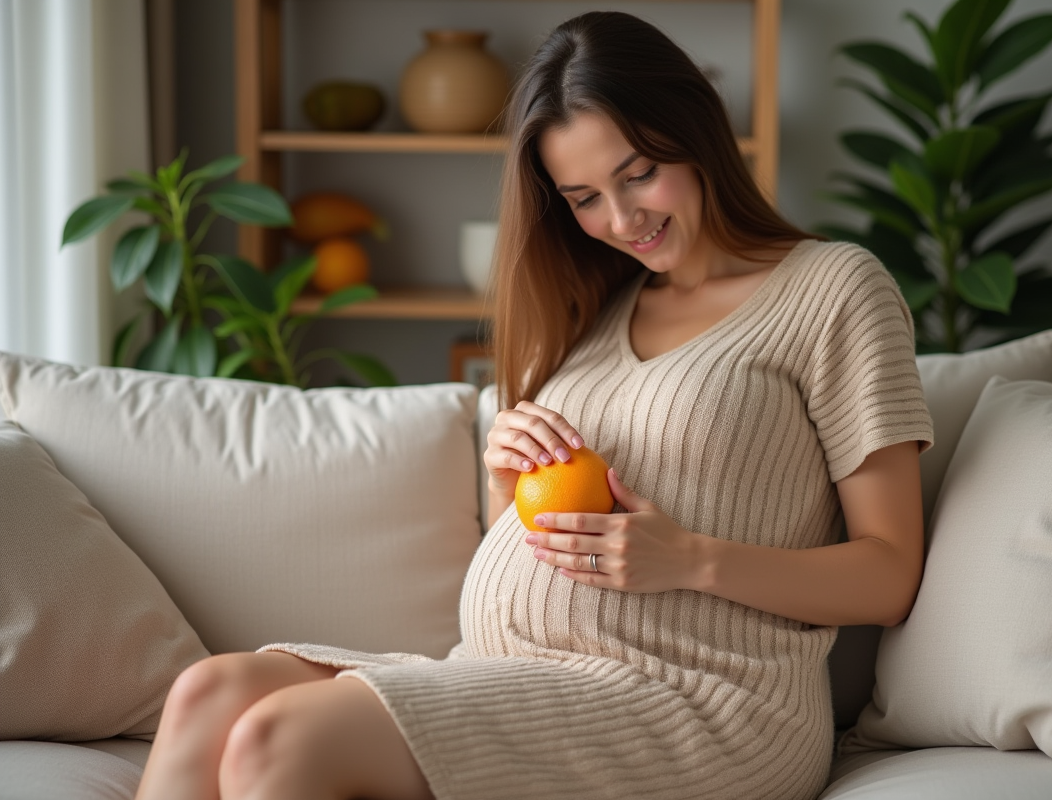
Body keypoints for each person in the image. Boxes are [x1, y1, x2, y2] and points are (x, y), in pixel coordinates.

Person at [134, 11, 933, 800]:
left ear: (699, 130)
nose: (622, 221)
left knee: (281, 742)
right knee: (211, 694)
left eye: (639, 173)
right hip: (511, 672)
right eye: (584, 197)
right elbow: (536, 534)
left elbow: (889, 574)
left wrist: (691, 557)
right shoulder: (597, 304)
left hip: (697, 696)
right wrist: (505, 473)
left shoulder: (834, 289)